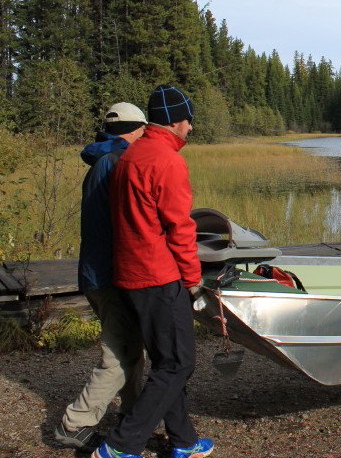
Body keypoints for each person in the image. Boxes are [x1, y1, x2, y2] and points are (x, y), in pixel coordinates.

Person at [92, 85, 213, 458]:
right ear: (176, 122)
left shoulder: (130, 155)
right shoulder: (166, 160)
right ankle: (120, 445)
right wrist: (193, 280)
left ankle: (184, 441)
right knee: (179, 362)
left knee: (166, 361)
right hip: (159, 277)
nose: (190, 129)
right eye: (188, 121)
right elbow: (180, 228)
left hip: (129, 275)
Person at [54, 103, 147, 453]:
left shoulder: (101, 160)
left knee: (130, 347)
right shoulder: (119, 163)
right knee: (120, 354)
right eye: (143, 130)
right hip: (111, 275)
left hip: (95, 272)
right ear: (134, 129)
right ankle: (75, 423)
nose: (145, 136)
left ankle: (136, 417)